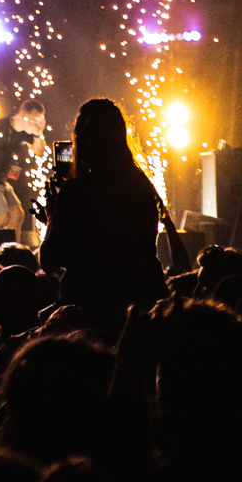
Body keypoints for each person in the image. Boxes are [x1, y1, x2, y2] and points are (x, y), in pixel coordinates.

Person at [38, 98, 165, 320]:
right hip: (140, 304)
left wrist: (52, 217)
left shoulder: (77, 190)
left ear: (83, 139)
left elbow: (50, 261)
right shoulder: (142, 186)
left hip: (89, 305)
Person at [0, 100, 46, 246]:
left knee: (17, 215)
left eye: (40, 121)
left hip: (2, 180)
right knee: (3, 217)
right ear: (23, 116)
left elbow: (39, 151)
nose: (37, 125)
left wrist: (38, 134)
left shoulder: (24, 134)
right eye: (34, 121)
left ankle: (12, 249)